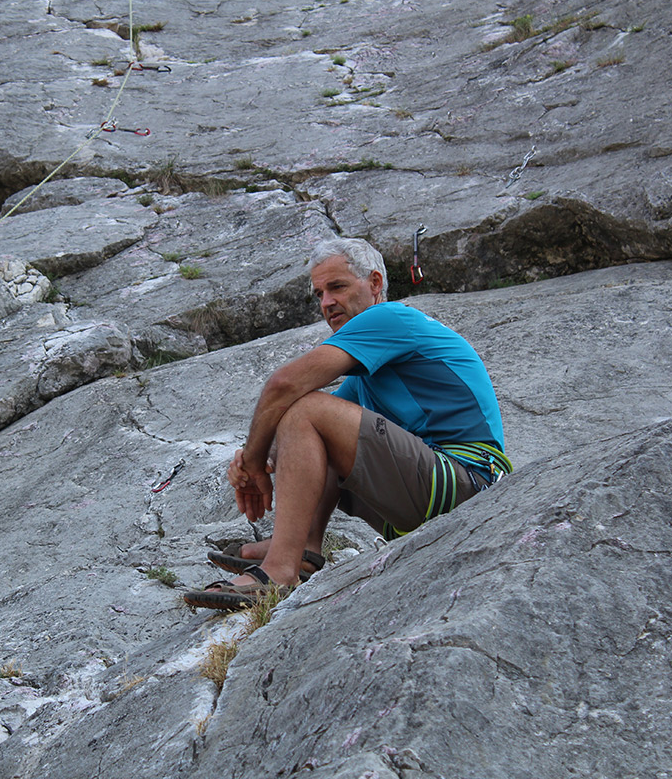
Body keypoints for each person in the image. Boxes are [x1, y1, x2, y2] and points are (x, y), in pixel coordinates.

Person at [184, 236, 511, 610]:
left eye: (336, 287)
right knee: (306, 421)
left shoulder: (389, 317)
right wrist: (250, 459)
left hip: (471, 484)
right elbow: (298, 442)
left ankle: (278, 572)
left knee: (305, 406)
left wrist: (256, 462)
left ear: (374, 284)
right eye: (319, 293)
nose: (326, 303)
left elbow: (284, 385)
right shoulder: (365, 378)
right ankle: (301, 548)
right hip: (431, 498)